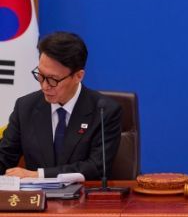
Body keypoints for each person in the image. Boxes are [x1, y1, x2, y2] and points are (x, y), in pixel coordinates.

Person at [0, 32, 122, 180]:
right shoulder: (25, 107)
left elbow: (96, 166)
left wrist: (39, 175)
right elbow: (4, 157)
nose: (44, 86)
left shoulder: (104, 111)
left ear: (78, 76)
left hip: (82, 193)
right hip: (35, 195)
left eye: (53, 79)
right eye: (40, 75)